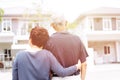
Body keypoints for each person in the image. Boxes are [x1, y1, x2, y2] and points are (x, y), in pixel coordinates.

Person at [12, 26, 81, 80]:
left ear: (30, 40)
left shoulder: (19, 56)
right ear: (45, 43)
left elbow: (15, 78)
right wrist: (77, 66)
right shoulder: (47, 55)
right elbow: (62, 72)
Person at [44, 14, 88, 80]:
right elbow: (84, 64)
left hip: (55, 78)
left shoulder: (48, 41)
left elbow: (45, 65)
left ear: (52, 25)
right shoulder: (77, 39)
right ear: (66, 23)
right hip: (74, 77)